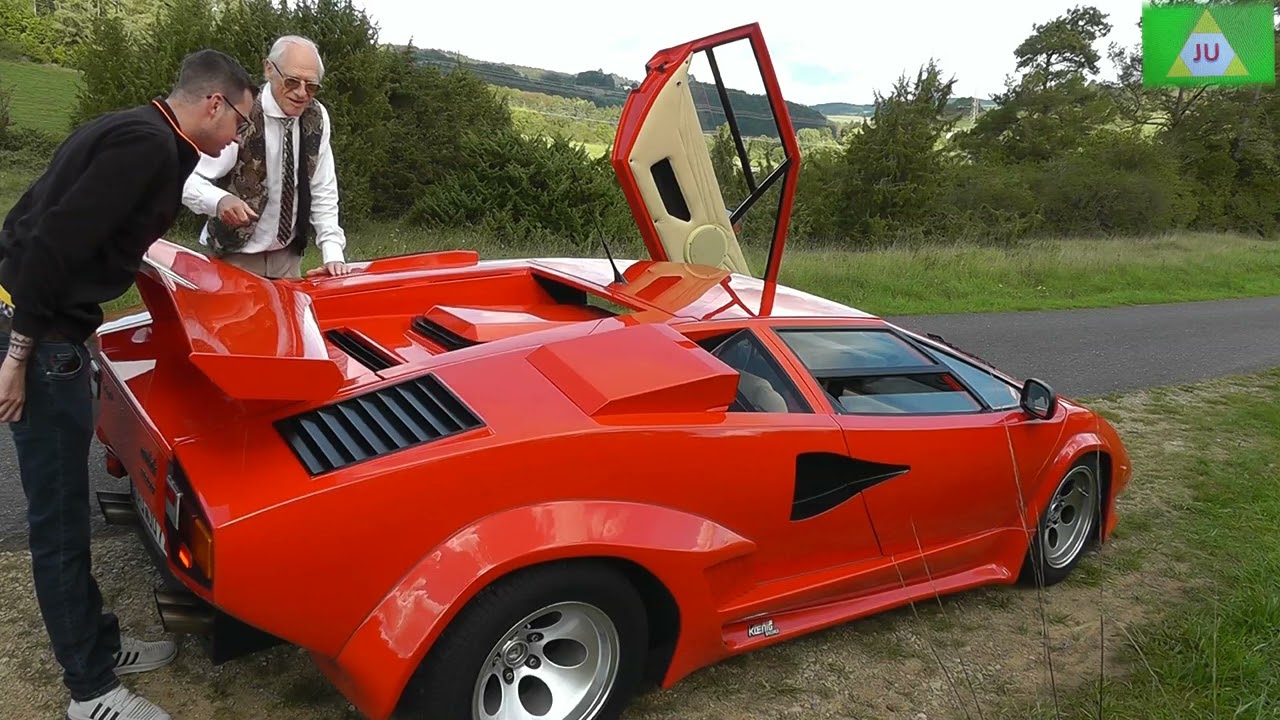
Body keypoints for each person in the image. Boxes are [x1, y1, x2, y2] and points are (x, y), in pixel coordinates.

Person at [0, 49, 256, 720]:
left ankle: (99, 646)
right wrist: (21, 347)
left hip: (52, 327)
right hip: (36, 336)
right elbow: (52, 240)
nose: (238, 139)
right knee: (59, 523)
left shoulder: (136, 129)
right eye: (241, 124)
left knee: (67, 512)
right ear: (214, 104)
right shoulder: (146, 148)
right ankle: (90, 692)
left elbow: (48, 218)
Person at [182, 35, 350, 279]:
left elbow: (323, 187)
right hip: (234, 257)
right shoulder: (241, 112)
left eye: (311, 86)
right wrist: (218, 200)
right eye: (292, 81)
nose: (302, 93)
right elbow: (187, 177)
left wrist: (332, 252)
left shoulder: (316, 115)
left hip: (288, 257)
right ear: (269, 69)